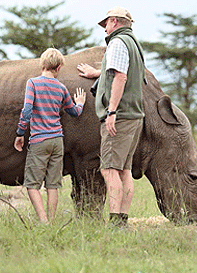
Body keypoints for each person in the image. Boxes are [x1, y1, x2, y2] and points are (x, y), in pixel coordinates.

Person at [77, 7, 146, 228]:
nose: (104, 28)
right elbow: (123, 69)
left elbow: (120, 76)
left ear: (114, 22)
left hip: (121, 115)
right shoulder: (134, 44)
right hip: (134, 115)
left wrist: (112, 111)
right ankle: (122, 220)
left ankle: (116, 221)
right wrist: (97, 73)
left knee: (109, 169)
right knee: (124, 169)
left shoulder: (117, 42)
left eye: (106, 24)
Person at [15, 48, 86, 223]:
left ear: (43, 63)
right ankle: (52, 221)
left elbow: (27, 110)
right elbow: (74, 112)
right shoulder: (61, 88)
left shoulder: (33, 83)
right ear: (59, 67)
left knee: (32, 185)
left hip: (39, 140)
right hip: (57, 140)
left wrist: (20, 132)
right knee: (52, 185)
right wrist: (81, 103)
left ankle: (43, 221)